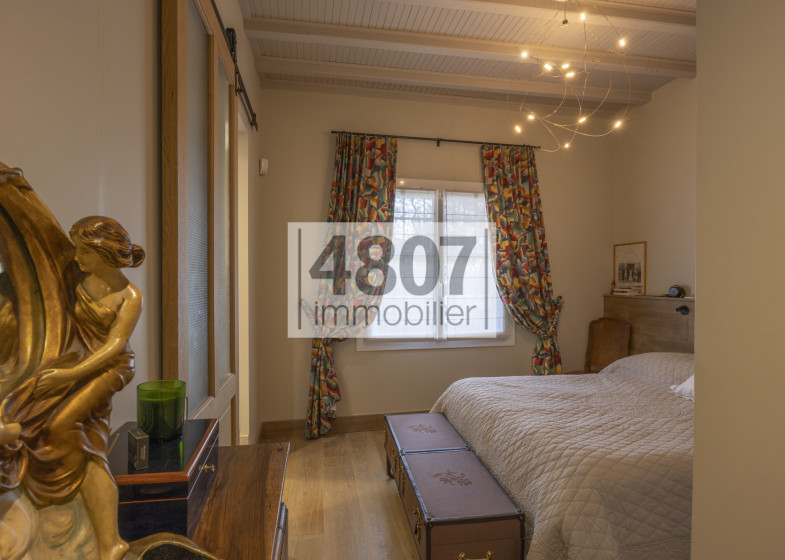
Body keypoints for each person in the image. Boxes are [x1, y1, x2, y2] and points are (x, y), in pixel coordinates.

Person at [1, 216, 144, 560]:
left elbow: (114, 347)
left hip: (110, 368)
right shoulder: (75, 279)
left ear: (105, 253)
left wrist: (67, 376)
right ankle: (15, 433)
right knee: (33, 403)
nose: (76, 257)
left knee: (66, 427)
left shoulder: (130, 296)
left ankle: (110, 540)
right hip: (75, 364)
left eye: (84, 251)